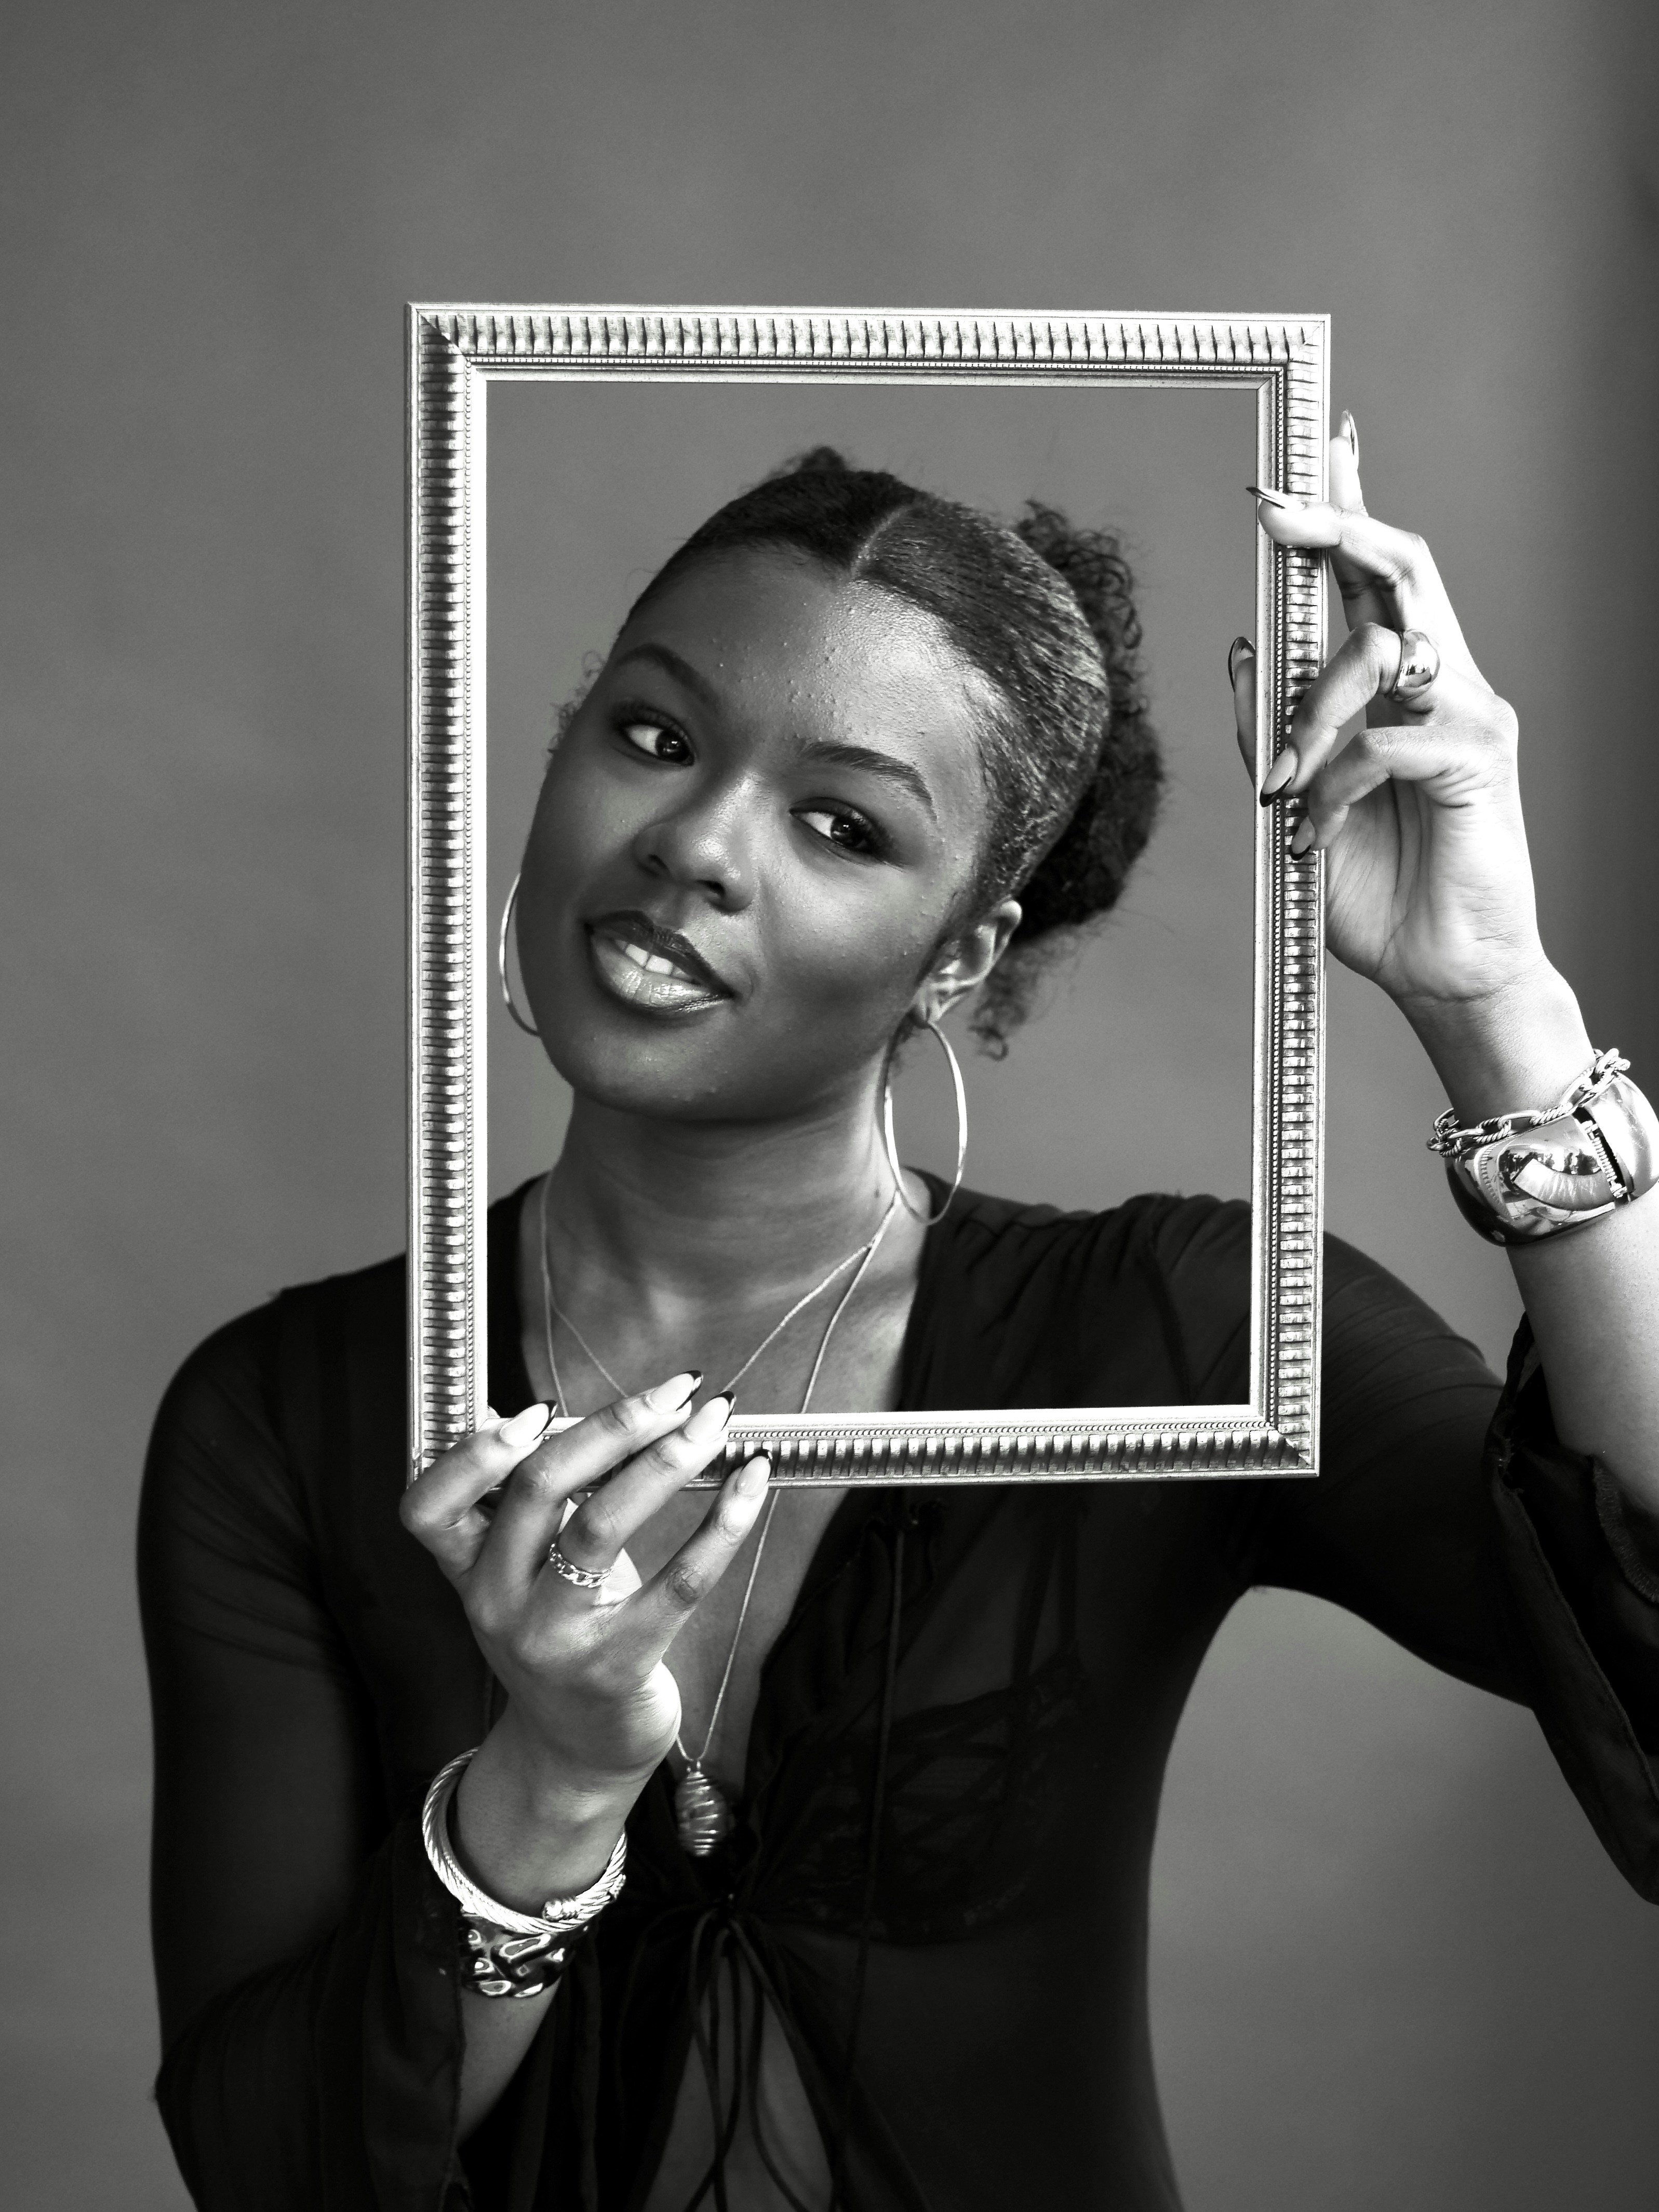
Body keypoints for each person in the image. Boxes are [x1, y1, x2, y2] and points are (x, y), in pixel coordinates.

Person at [139, 433, 1659, 2212]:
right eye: (653, 734)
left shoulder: (1174, 1336)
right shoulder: (289, 1410)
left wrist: (1498, 1002)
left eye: (842, 823)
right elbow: (271, 2174)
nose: (697, 844)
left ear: (958, 954)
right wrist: (545, 1792)